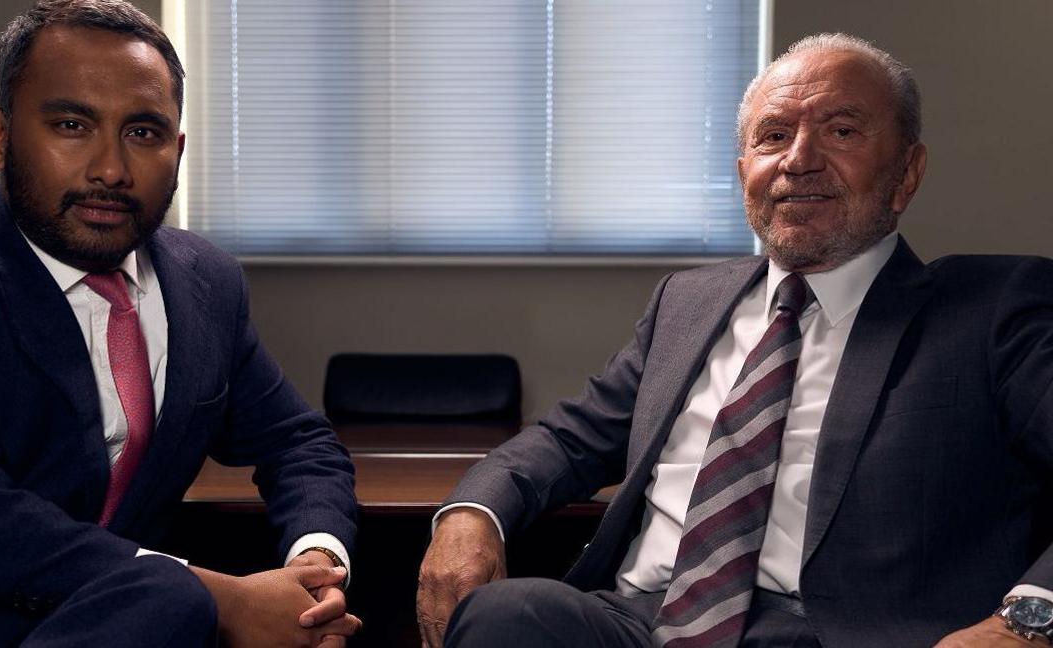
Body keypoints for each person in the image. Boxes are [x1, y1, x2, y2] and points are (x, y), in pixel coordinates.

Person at [417, 33, 1053, 648]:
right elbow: (567, 438)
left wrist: (1027, 621)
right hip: (639, 621)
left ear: (908, 171)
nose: (798, 160)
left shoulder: (992, 310)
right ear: (745, 169)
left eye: (841, 130)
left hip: (838, 630)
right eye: (773, 136)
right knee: (507, 614)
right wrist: (472, 514)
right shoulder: (687, 301)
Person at [0, 1, 361, 646]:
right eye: (71, 124)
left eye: (142, 133)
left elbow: (297, 443)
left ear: (177, 149)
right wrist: (219, 597)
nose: (110, 170)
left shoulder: (207, 282)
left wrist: (314, 565)